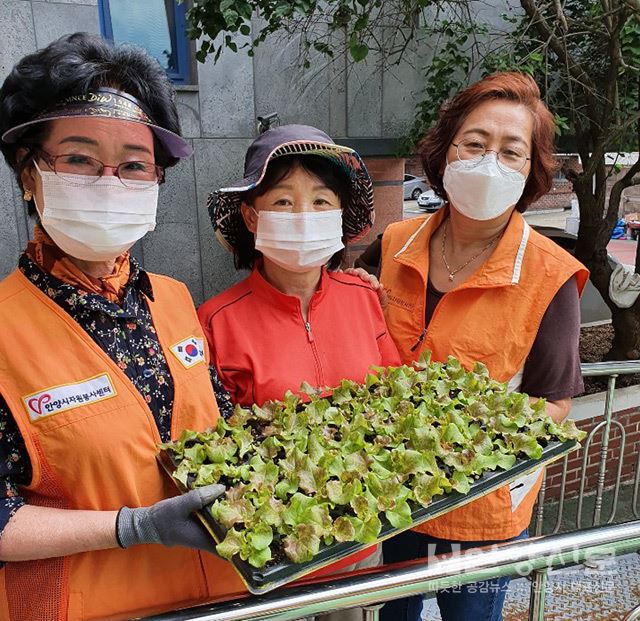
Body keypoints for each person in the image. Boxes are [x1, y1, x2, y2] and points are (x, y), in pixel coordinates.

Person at [0, 33, 245, 621]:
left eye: (135, 165)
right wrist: (131, 527)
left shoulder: (175, 300)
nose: (111, 182)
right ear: (29, 174)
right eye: (79, 159)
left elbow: (215, 423)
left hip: (217, 600)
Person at [378, 72, 590, 621]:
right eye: (474, 143)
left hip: (478, 509)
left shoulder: (551, 275)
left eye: (511, 151)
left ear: (531, 173)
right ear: (445, 151)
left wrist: (460, 442)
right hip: (385, 497)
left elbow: (554, 402)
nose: (487, 161)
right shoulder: (394, 245)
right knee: (394, 614)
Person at [198, 124, 401, 621]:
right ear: (251, 215)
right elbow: (211, 447)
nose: (304, 216)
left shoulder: (364, 299)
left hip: (355, 545)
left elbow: (396, 401)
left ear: (338, 215)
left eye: (320, 201)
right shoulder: (216, 321)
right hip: (267, 560)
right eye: (283, 202)